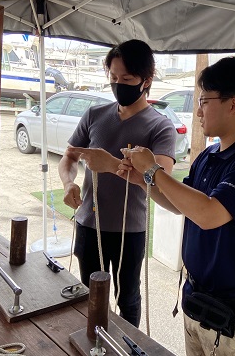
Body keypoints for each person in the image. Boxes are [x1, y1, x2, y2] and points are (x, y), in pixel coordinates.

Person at [120, 57, 235, 355]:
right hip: (197, 302)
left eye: (204, 101)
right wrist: (141, 179)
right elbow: (181, 205)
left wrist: (154, 169)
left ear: (233, 104)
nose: (198, 111)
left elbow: (209, 214)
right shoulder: (208, 156)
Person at [58, 39, 176, 328]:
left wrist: (110, 165)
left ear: (146, 81)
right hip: (89, 223)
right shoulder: (94, 114)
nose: (118, 84)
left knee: (128, 299)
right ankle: (91, 342)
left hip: (129, 230)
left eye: (127, 79)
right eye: (113, 77)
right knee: (89, 294)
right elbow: (70, 156)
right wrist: (68, 183)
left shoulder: (160, 126)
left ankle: (128, 345)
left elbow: (161, 184)